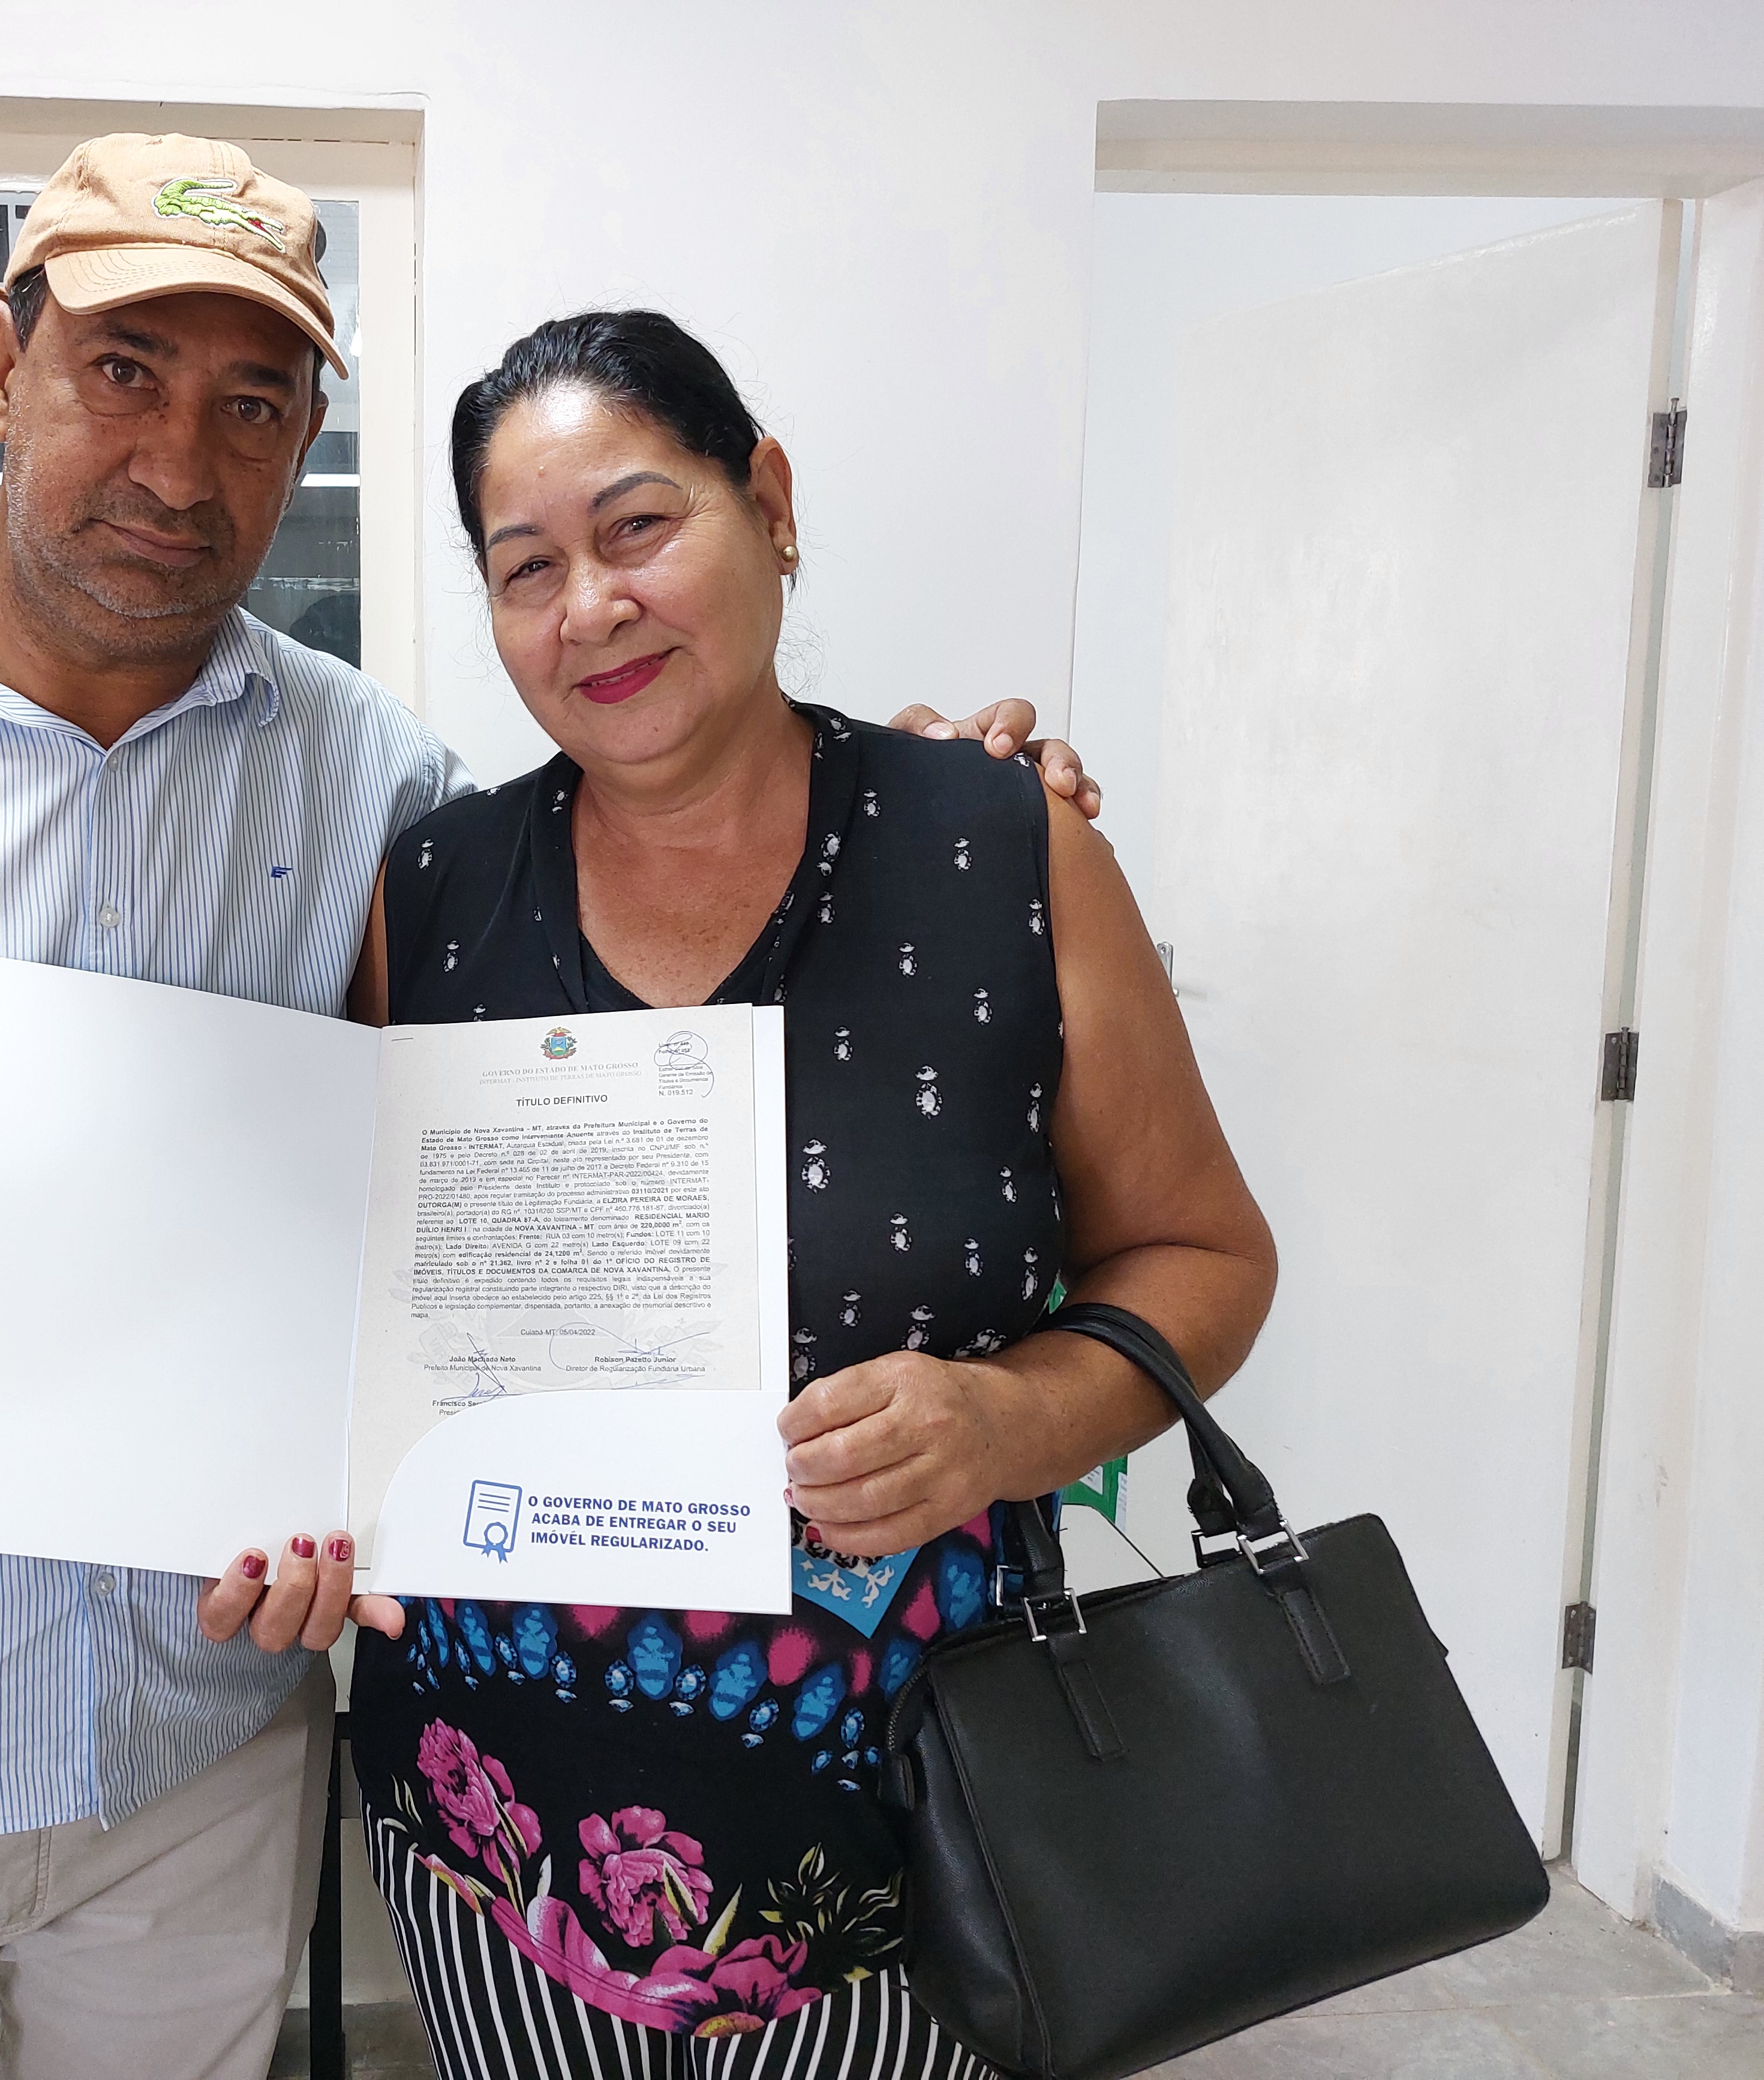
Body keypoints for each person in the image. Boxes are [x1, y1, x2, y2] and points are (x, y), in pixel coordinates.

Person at [0, 130, 1097, 2078]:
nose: (178, 463)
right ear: (1, 369)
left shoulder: (384, 792)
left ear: (307, 435)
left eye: (252, 403)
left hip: (196, 1755)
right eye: (121, 373)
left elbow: (468, 1197)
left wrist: (918, 794)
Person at [335, 312, 1276, 2080]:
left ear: (767, 502)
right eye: (526, 568)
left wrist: (1010, 1419)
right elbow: (350, 1311)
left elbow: (1206, 1254)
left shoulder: (1003, 850)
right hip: (491, 1846)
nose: (590, 608)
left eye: (638, 526)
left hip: (923, 1849)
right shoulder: (434, 895)